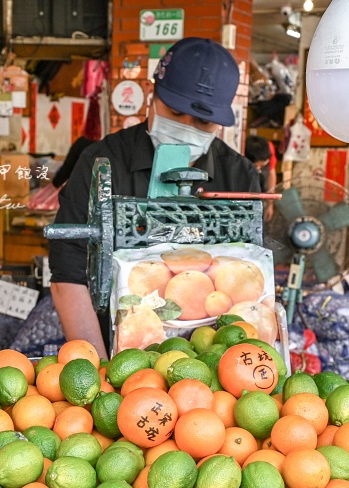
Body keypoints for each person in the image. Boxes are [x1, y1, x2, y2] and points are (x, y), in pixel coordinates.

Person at [48, 37, 261, 357]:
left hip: (213, 361)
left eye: (203, 121)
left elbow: (249, 279)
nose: (186, 127)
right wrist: (101, 368)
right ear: (152, 94)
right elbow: (69, 273)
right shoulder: (101, 162)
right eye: (175, 112)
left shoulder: (240, 177)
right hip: (114, 350)